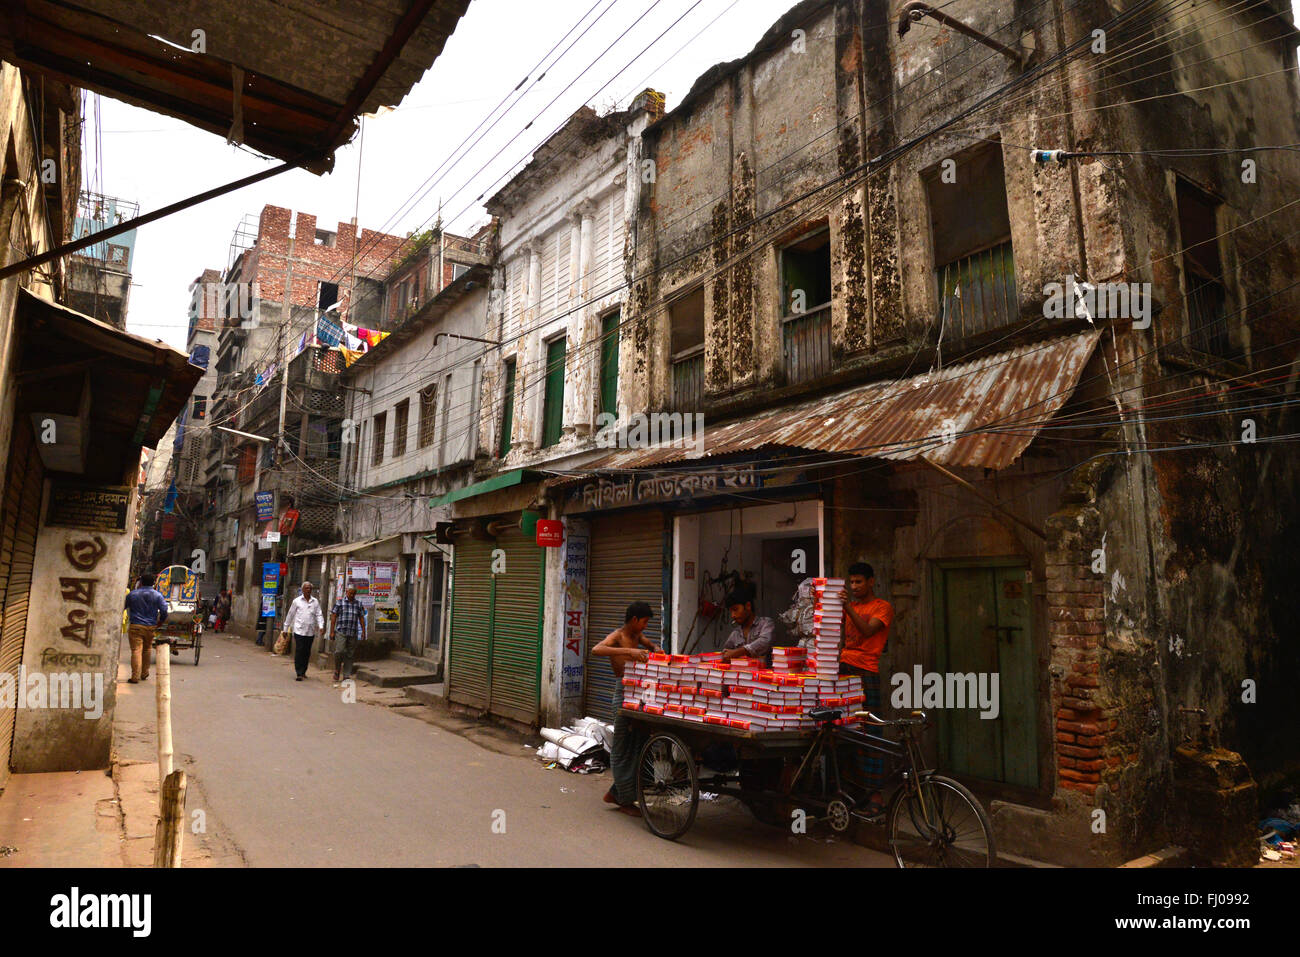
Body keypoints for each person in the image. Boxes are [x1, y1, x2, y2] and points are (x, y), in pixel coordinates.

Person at [591, 601, 662, 814]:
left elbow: (651, 645)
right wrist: (629, 652)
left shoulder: (638, 636)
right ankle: (624, 800)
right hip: (622, 693)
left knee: (638, 741)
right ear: (634, 620)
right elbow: (597, 649)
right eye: (644, 622)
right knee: (622, 746)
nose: (645, 626)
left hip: (639, 692)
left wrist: (656, 650)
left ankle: (617, 792)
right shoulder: (618, 636)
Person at [838, 561, 894, 813]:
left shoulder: (882, 607)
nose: (854, 586)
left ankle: (875, 796)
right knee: (847, 731)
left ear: (871, 581)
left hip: (866, 672)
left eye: (859, 582)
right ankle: (852, 791)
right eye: (851, 583)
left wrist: (847, 606)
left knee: (870, 733)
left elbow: (868, 632)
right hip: (845, 669)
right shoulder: (853, 607)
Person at [123, 573, 168, 683]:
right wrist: (160, 622)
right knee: (147, 649)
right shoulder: (158, 595)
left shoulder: (132, 594)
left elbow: (123, 607)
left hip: (136, 626)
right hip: (151, 626)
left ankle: (135, 676)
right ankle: (144, 673)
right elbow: (164, 611)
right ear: (153, 583)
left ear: (141, 582)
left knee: (136, 650)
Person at [720, 585, 775, 665]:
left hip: (764, 675)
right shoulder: (735, 633)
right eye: (731, 611)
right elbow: (726, 654)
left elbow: (765, 642)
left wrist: (738, 652)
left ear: (748, 606)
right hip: (741, 676)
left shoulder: (766, 623)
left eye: (735, 609)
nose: (732, 615)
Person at [281, 582, 325, 681]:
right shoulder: (297, 601)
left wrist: (321, 626)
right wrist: (285, 629)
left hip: (310, 631)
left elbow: (319, 614)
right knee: (299, 650)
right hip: (299, 630)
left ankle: (304, 671)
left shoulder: (315, 602)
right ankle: (299, 673)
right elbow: (290, 614)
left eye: (309, 588)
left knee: (307, 652)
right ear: (302, 589)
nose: (308, 590)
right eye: (306, 588)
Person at [329, 585, 367, 686]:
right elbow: (333, 617)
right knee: (339, 651)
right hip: (341, 631)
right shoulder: (339, 603)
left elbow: (361, 618)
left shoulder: (358, 604)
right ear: (346, 592)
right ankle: (337, 669)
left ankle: (346, 675)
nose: (352, 595)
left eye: (354, 593)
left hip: (353, 632)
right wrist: (332, 631)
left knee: (350, 654)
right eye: (350, 593)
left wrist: (363, 631)